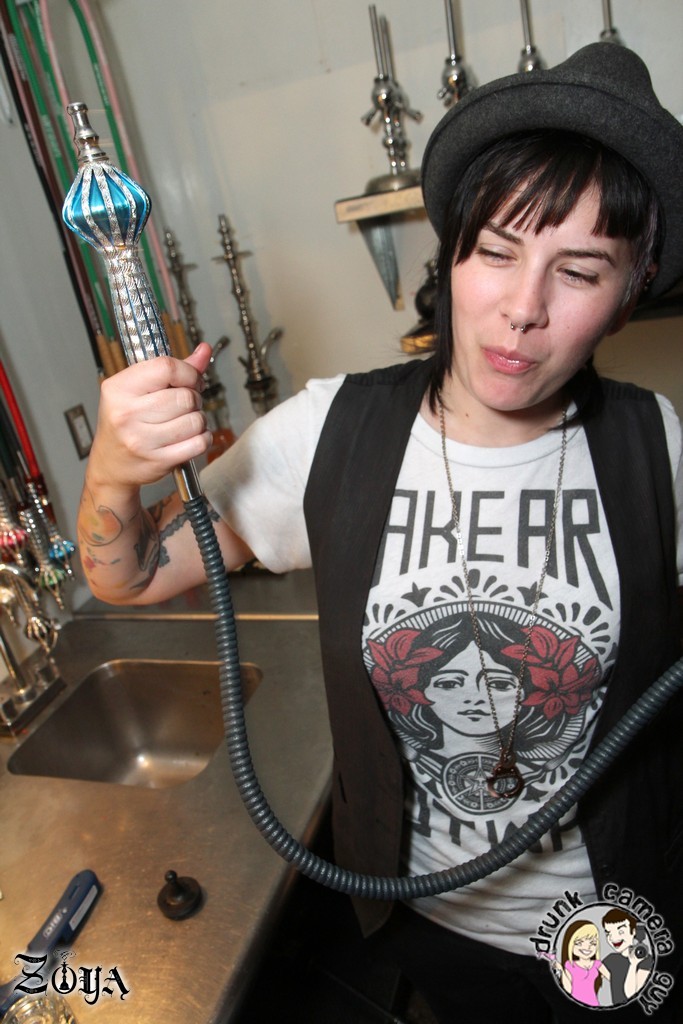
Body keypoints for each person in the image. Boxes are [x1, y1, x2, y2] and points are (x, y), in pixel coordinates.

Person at [77, 42, 683, 1023]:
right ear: (451, 253)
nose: (521, 310)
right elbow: (130, 576)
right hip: (421, 918)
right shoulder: (328, 431)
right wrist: (111, 467)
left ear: (626, 297)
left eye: (577, 271)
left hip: (608, 922)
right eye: (495, 252)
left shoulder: (657, 445)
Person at [602, 908, 654, 1004]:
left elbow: (631, 994)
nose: (613, 938)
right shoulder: (611, 959)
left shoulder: (646, 960)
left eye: (621, 932)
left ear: (633, 931)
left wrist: (633, 964)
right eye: (608, 933)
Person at [553, 920, 610, 1008]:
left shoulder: (597, 964)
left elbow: (613, 979)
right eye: (579, 943)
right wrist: (560, 970)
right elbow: (569, 989)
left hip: (594, 1004)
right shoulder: (569, 965)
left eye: (593, 943)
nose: (587, 947)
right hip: (574, 1005)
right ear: (570, 944)